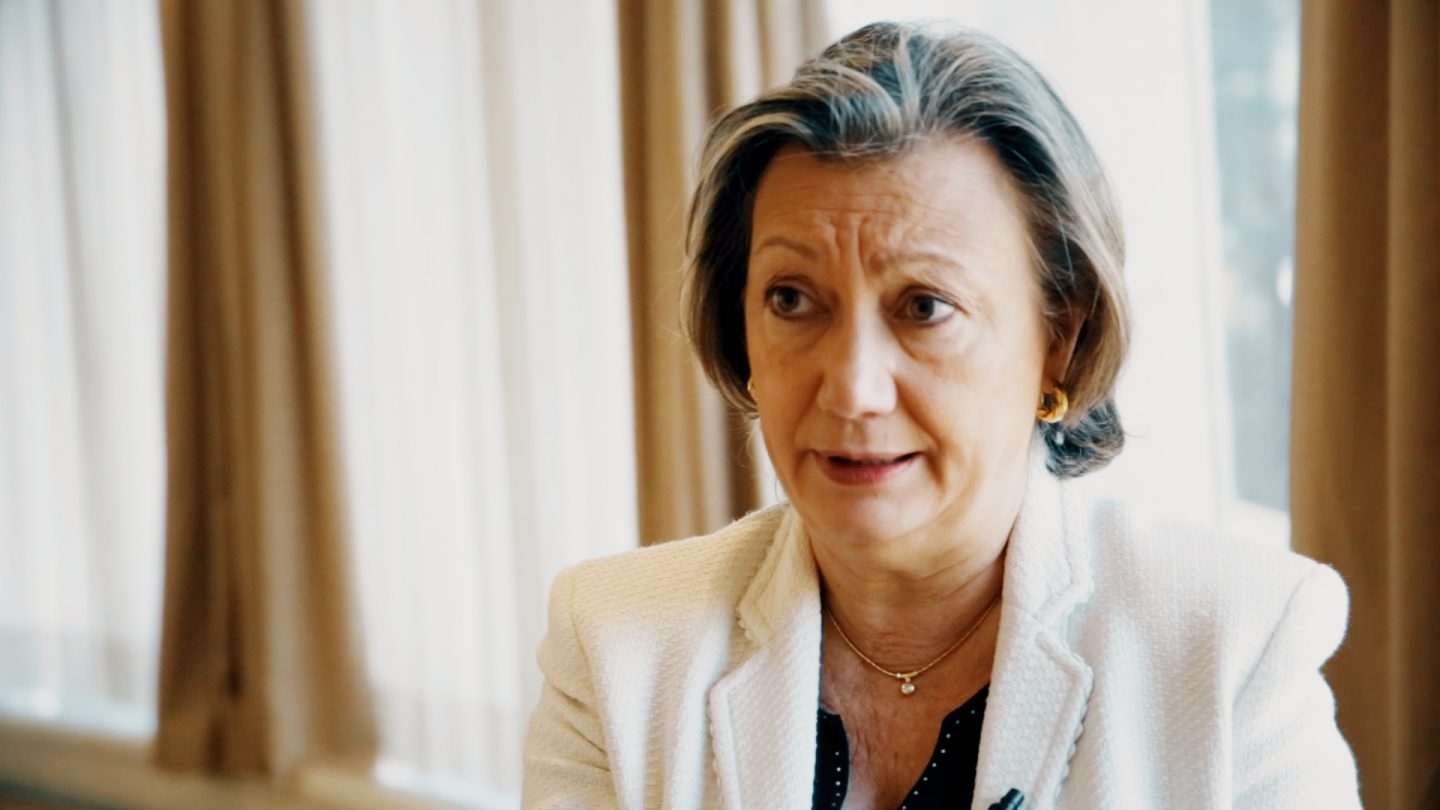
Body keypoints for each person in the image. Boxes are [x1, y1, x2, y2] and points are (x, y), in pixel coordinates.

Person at [523, 21, 1360, 809]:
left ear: (1059, 342)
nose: (851, 390)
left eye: (924, 307)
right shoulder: (616, 647)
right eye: (792, 300)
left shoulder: (1232, 648)